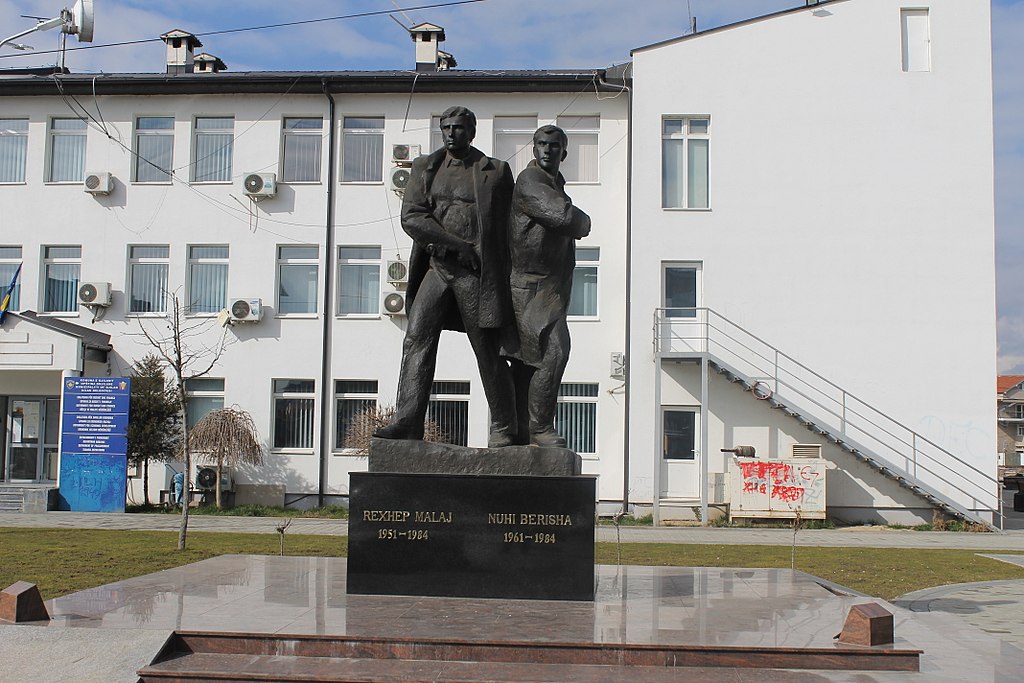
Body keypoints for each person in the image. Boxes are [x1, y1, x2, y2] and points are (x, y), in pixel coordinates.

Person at [375, 106, 518, 447]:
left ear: (473, 131)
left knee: (487, 347)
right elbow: (412, 217)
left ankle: (504, 427)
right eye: (447, 127)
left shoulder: (495, 171)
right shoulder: (425, 167)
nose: (452, 133)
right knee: (416, 339)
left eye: (459, 127)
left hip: (476, 274)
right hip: (438, 268)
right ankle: (407, 422)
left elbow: (511, 227)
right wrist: (455, 245)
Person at [507, 125, 591, 447]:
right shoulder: (531, 180)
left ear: (563, 153)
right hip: (531, 287)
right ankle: (539, 428)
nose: (546, 150)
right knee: (554, 351)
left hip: (549, 287)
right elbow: (564, 217)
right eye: (541, 144)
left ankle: (519, 430)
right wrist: (585, 221)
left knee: (529, 363)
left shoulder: (555, 183)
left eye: (553, 145)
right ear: (533, 149)